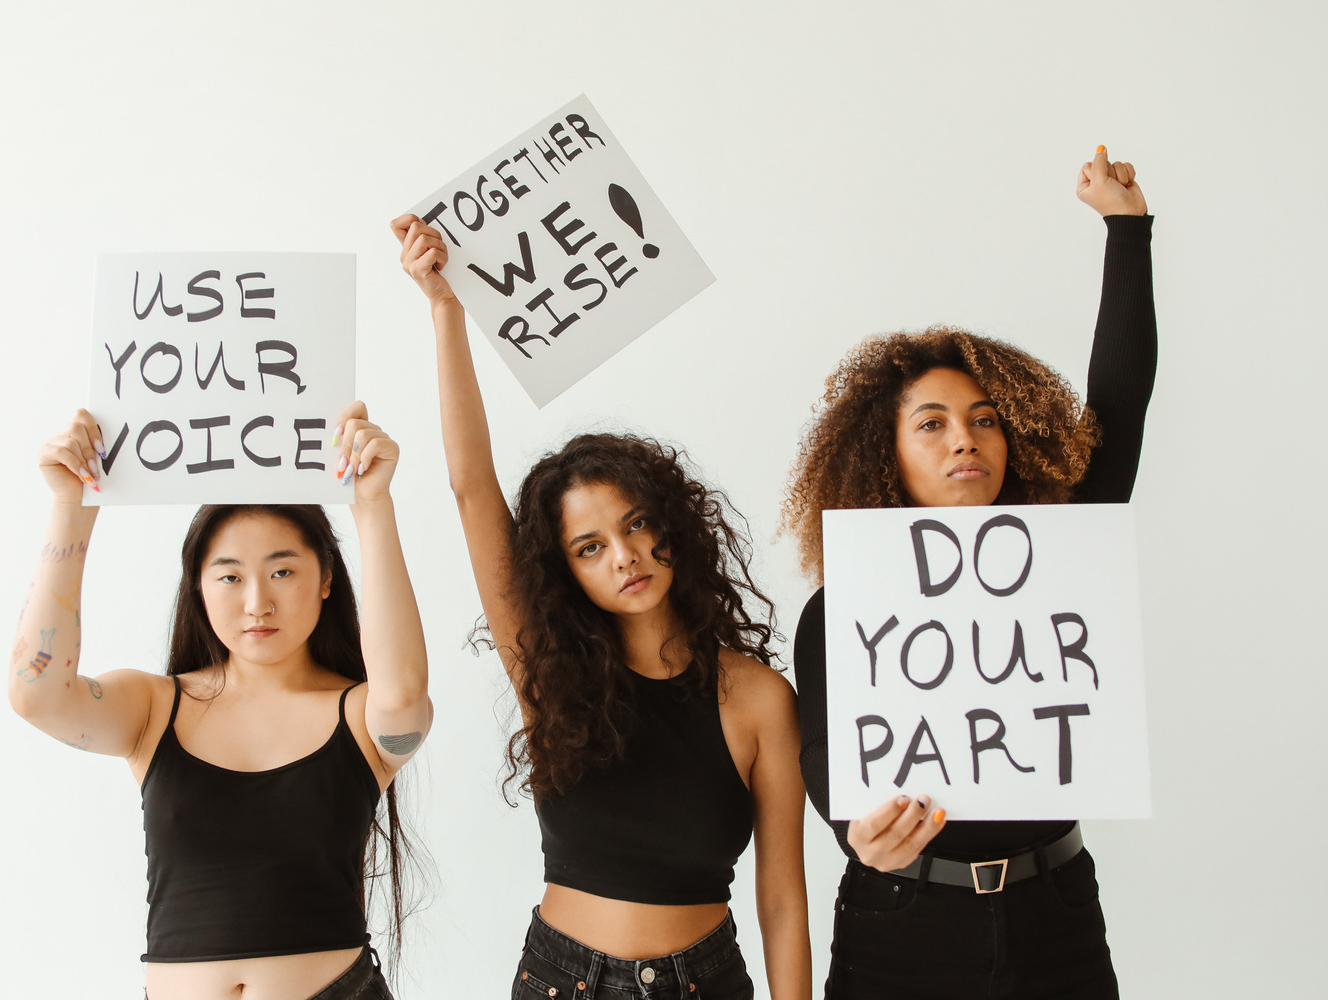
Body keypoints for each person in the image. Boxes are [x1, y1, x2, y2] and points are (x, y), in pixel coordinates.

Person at [391, 214, 811, 999]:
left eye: (637, 525)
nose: (623, 556)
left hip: (704, 984)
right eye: (590, 548)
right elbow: (471, 485)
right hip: (563, 981)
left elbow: (783, 898)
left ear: (673, 528)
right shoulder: (546, 672)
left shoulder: (756, 696)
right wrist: (446, 309)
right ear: (564, 573)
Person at [780, 146, 1154, 999]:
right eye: (935, 424)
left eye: (984, 420)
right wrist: (857, 832)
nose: (965, 440)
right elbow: (828, 758)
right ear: (886, 456)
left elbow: (1120, 411)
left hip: (1054, 911)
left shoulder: (1063, 555)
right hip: (901, 925)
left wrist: (1127, 230)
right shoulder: (842, 607)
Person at [8, 402, 430, 1000]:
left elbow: (406, 694)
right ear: (199, 589)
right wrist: (70, 510)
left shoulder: (363, 716)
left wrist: (372, 505)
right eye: (230, 576)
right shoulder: (152, 707)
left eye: (283, 572)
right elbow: (37, 694)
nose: (257, 602)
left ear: (326, 578)